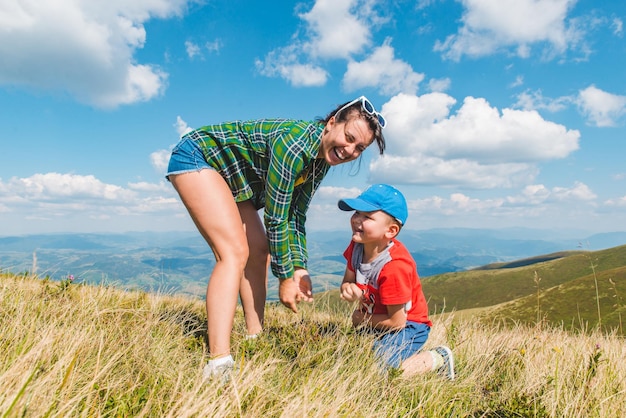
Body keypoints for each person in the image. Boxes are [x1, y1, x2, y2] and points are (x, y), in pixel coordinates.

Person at [166, 96, 387, 379]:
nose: (350, 150)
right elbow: (276, 216)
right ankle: (218, 362)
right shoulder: (294, 145)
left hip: (232, 179)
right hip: (198, 156)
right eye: (349, 137)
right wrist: (284, 278)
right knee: (233, 253)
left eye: (359, 148)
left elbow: (297, 215)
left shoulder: (320, 161)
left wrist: (299, 268)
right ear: (332, 123)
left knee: (258, 250)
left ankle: (255, 338)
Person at [338, 184, 455, 380]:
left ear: (391, 230)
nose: (357, 219)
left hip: (409, 325)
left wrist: (361, 319)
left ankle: (438, 357)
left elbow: (397, 322)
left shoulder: (394, 267)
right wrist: (349, 289)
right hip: (378, 319)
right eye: (357, 212)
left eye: (367, 216)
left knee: (378, 370)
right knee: (349, 356)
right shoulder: (357, 246)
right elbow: (348, 281)